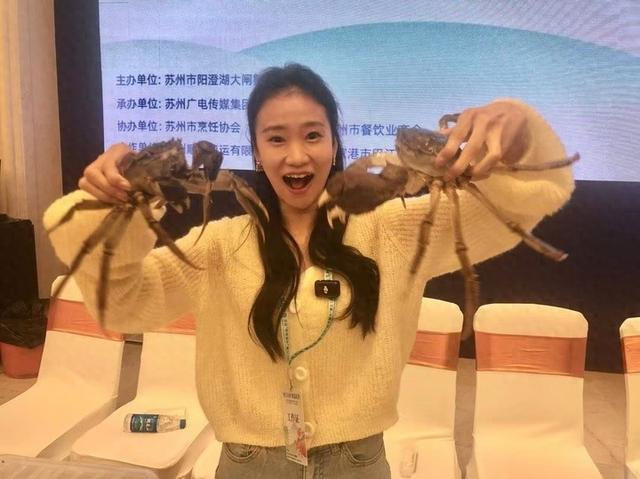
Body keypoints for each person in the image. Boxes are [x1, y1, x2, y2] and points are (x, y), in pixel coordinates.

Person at [44, 63, 574, 478]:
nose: (296, 155)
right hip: (248, 466)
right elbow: (122, 304)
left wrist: (517, 128)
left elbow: (532, 198)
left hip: (358, 464)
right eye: (276, 138)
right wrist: (111, 205)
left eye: (313, 135)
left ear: (335, 143)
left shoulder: (391, 229)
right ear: (256, 150)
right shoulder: (219, 245)